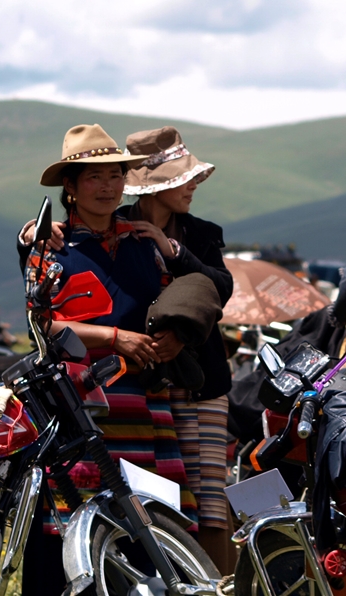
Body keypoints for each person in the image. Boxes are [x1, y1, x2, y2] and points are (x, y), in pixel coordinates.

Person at [18, 124, 202, 591]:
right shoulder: (50, 247)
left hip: (142, 401)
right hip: (81, 406)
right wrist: (114, 338)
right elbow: (42, 324)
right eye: (93, 177)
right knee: (71, 519)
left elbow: (170, 303)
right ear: (71, 188)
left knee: (147, 517)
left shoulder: (144, 243)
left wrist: (173, 337)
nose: (106, 186)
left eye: (114, 175)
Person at [120, 126, 235, 571]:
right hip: (142, 383)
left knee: (208, 495)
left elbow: (219, 288)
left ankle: (218, 582)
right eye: (181, 179)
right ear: (158, 185)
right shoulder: (117, 229)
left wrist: (172, 250)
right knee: (157, 495)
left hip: (201, 383)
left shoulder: (201, 234)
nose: (191, 187)